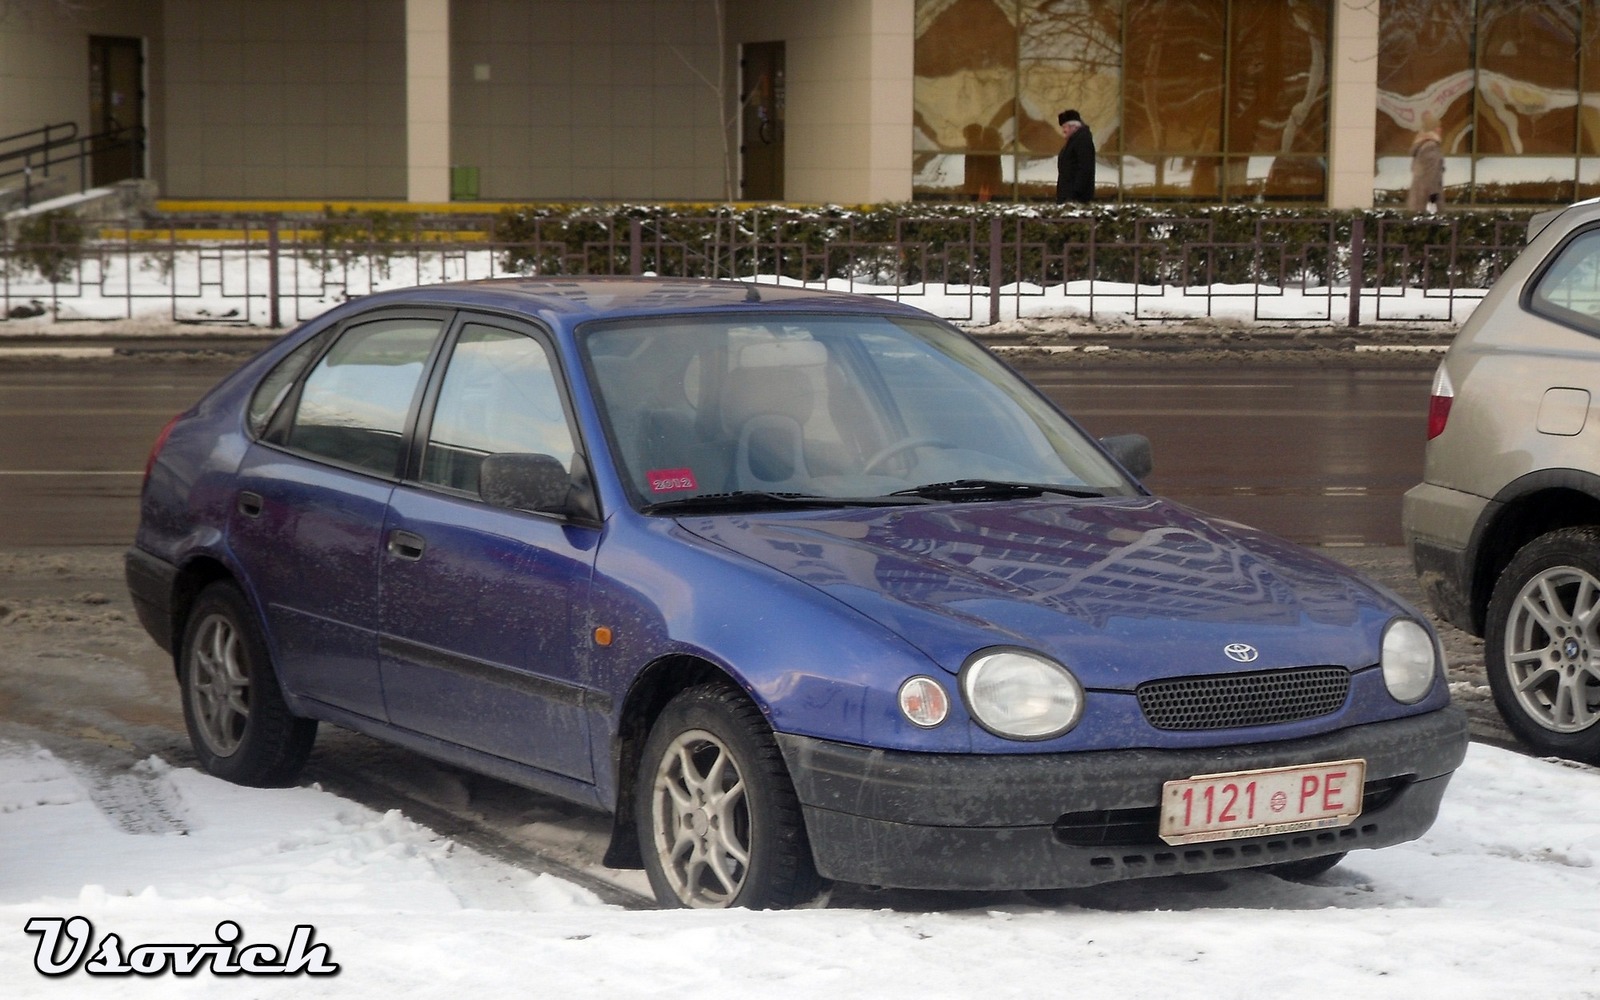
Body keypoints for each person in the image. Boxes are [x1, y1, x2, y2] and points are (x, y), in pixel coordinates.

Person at [1055, 109, 1096, 204]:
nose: (1063, 131)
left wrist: (1074, 193)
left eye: (1065, 127)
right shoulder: (1075, 141)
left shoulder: (1082, 140)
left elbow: (1085, 168)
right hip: (1069, 196)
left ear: (1073, 127)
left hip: (1075, 198)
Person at [1408, 114, 1444, 214]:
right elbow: (1432, 173)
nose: (1440, 130)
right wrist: (1433, 195)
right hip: (1426, 200)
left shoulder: (1422, 146)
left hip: (1419, 198)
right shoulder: (1430, 146)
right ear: (1433, 129)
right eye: (1438, 127)